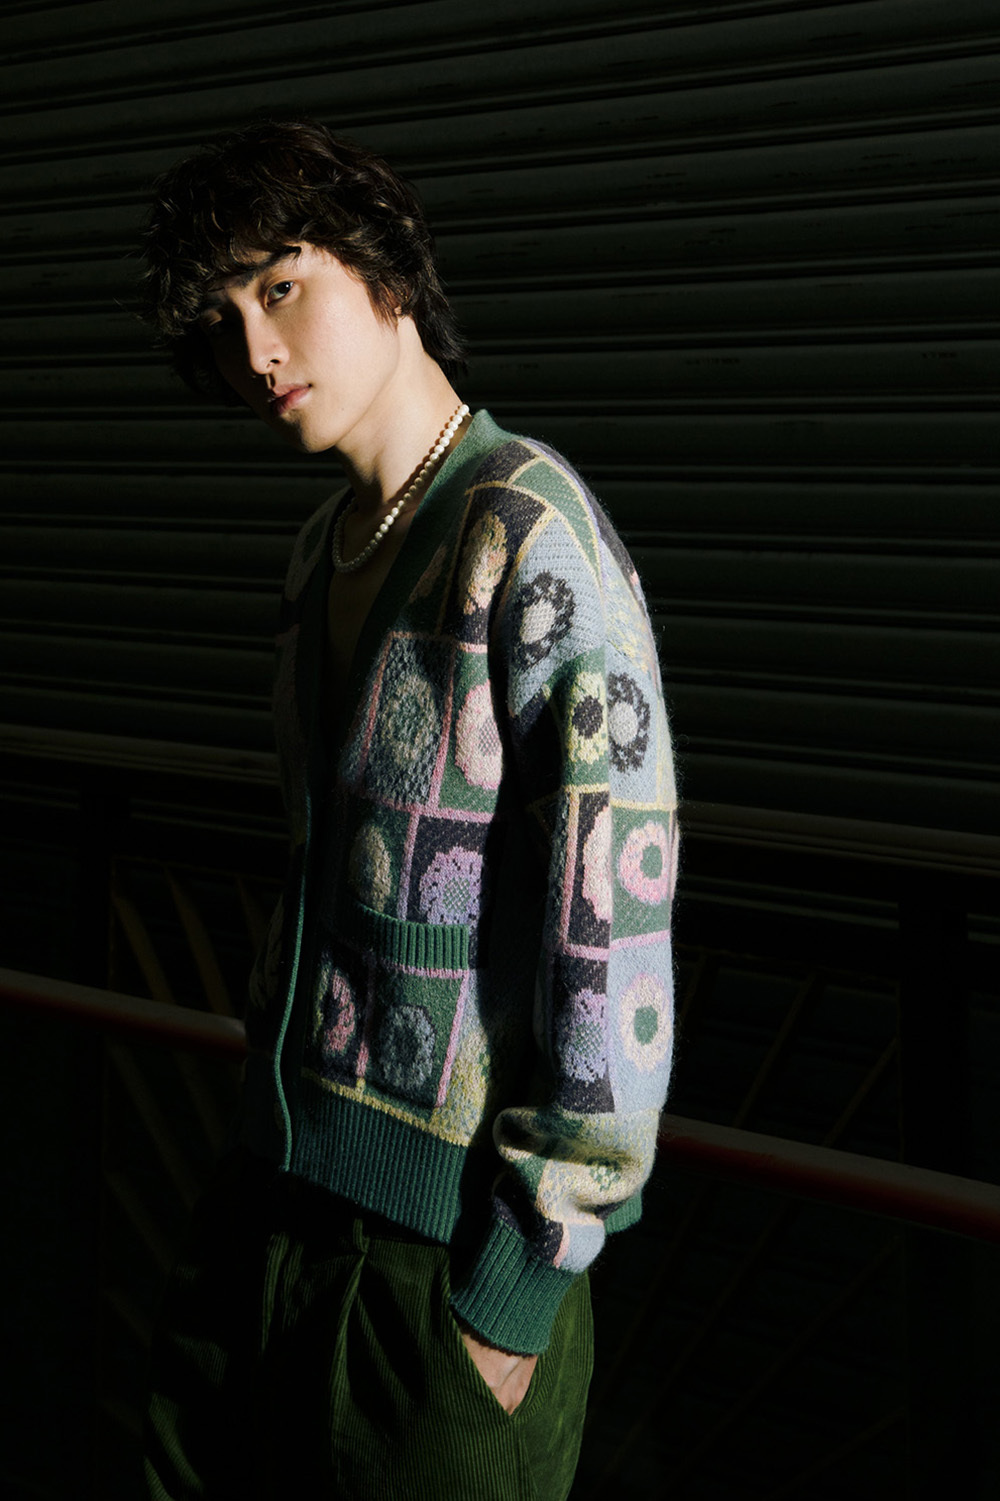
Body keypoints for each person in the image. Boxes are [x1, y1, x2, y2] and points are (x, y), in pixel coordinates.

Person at [137, 117, 678, 1501]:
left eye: (281, 285)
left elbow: (612, 930)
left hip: (437, 1269)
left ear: (381, 266)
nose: (256, 349)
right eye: (222, 320)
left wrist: (514, 1288)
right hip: (271, 1204)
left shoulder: (527, 532)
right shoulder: (319, 556)